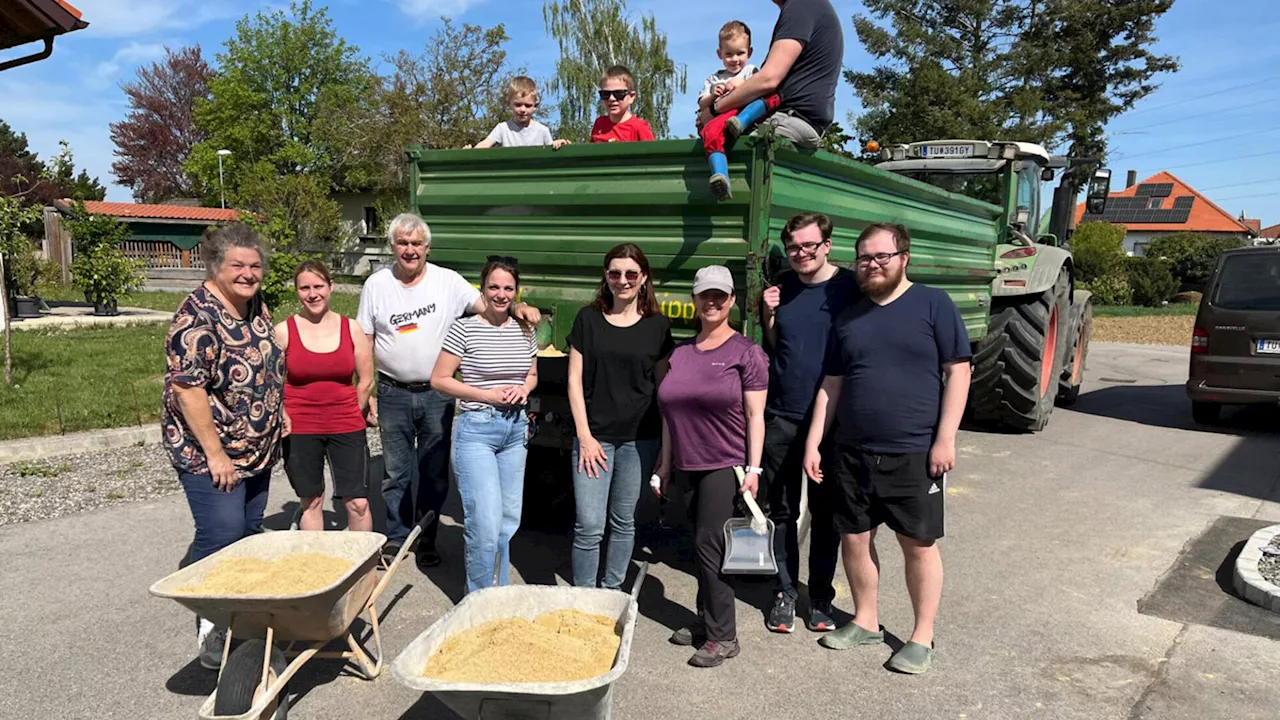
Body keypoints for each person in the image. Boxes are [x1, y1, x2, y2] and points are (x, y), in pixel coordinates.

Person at [803, 222, 972, 675]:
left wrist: (945, 438)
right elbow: (832, 384)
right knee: (854, 539)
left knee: (917, 544)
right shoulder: (849, 317)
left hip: (914, 452)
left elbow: (958, 372)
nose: (872, 265)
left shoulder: (933, 305)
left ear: (904, 258)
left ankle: (921, 635)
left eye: (881, 257)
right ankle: (866, 619)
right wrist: (815, 442)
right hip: (852, 452)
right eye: (864, 258)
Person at [357, 213, 539, 571]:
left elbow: (490, 303)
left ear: (427, 247)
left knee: (434, 470)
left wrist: (519, 307)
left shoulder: (448, 281)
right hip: (392, 389)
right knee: (396, 472)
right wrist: (365, 387)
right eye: (403, 243)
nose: (410, 250)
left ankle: (426, 538)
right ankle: (396, 539)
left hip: (437, 393)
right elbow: (364, 338)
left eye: (417, 244)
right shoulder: (376, 285)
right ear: (392, 245)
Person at [161, 222, 285, 670]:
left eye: (255, 265)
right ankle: (212, 626)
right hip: (210, 452)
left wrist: (277, 409)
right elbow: (188, 389)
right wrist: (216, 453)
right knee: (223, 532)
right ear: (216, 265)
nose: (249, 273)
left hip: (256, 447)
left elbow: (265, 362)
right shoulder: (196, 318)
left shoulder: (254, 306)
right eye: (238, 265)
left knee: (249, 532)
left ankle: (244, 613)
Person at [655, 265, 768, 668]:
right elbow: (670, 415)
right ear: (695, 300)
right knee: (697, 547)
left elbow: (756, 416)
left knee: (710, 545)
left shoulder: (746, 353)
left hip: (725, 463)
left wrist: (753, 469)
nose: (712, 302)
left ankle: (724, 636)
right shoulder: (681, 354)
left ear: (732, 300)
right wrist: (665, 466)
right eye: (705, 295)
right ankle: (705, 621)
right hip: (685, 463)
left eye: (720, 295)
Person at [759, 212, 857, 634]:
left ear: (827, 245)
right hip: (782, 413)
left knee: (825, 513)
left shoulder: (850, 287)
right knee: (781, 510)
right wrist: (768, 317)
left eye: (809, 246)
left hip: (833, 421)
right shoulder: (782, 285)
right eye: (794, 246)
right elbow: (776, 345)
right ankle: (784, 592)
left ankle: (820, 597)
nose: (801, 254)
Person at [568, 243, 674, 590]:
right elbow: (574, 380)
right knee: (588, 524)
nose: (623, 280)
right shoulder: (588, 319)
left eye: (631, 274)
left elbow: (664, 388)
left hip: (639, 439)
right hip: (594, 437)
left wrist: (667, 447)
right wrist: (584, 436)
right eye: (615, 273)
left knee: (623, 521)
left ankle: (611, 590)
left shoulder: (658, 326)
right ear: (606, 276)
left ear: (644, 278)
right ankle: (584, 596)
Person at [430, 256, 539, 594]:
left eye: (508, 288)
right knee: (484, 523)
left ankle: (498, 594)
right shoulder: (464, 327)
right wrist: (486, 395)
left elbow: (532, 373)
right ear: (483, 288)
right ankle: (478, 601)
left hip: (515, 430)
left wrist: (524, 388)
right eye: (494, 286)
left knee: (507, 522)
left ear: (516, 292)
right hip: (477, 429)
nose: (501, 294)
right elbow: (440, 379)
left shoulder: (524, 328)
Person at [276, 260, 375, 533]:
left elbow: (366, 379)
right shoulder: (284, 331)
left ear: (330, 287)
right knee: (312, 501)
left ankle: (364, 571)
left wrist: (355, 409)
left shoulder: (351, 328)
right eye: (304, 288)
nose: (312, 293)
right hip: (301, 426)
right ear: (296, 291)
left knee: (358, 503)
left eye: (318, 286)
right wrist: (281, 412)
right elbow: (270, 381)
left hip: (346, 422)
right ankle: (316, 569)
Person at [700, 0, 844, 151]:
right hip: (798, 119)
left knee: (726, 147)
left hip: (791, 117)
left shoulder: (801, 5)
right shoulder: (809, 6)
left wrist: (715, 109)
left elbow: (768, 79)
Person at [698, 20, 781, 199]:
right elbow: (702, 104)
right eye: (728, 54)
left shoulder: (751, 71)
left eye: (740, 53)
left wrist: (742, 83)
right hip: (724, 115)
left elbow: (761, 86)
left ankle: (741, 122)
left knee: (772, 93)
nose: (734, 59)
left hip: (749, 110)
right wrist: (713, 95)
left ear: (749, 52)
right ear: (719, 54)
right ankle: (721, 177)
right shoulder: (714, 79)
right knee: (711, 132)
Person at [466, 75, 571, 150]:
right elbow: (486, 144)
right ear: (509, 104)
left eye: (528, 105)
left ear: (535, 106)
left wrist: (557, 144)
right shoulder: (503, 129)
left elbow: (551, 150)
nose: (523, 110)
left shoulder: (542, 131)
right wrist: (471, 152)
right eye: (518, 105)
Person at [591, 65, 656, 143]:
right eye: (605, 94)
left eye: (618, 94)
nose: (611, 98)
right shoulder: (599, 124)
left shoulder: (639, 127)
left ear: (631, 97)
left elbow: (653, 153)